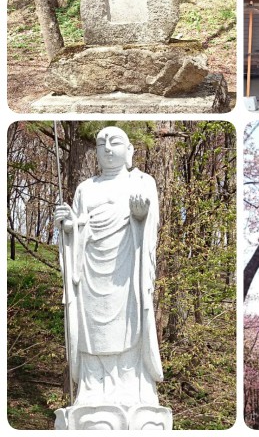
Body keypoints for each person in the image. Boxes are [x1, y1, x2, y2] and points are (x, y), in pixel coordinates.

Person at [54, 126, 163, 408]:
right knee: (91, 330)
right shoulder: (85, 189)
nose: (108, 148)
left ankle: (132, 388)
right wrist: (68, 226)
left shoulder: (142, 182)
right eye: (102, 144)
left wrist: (141, 216)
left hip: (127, 270)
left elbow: (151, 224)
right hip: (90, 270)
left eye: (115, 142)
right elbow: (77, 230)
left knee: (130, 324)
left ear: (130, 152)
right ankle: (91, 391)